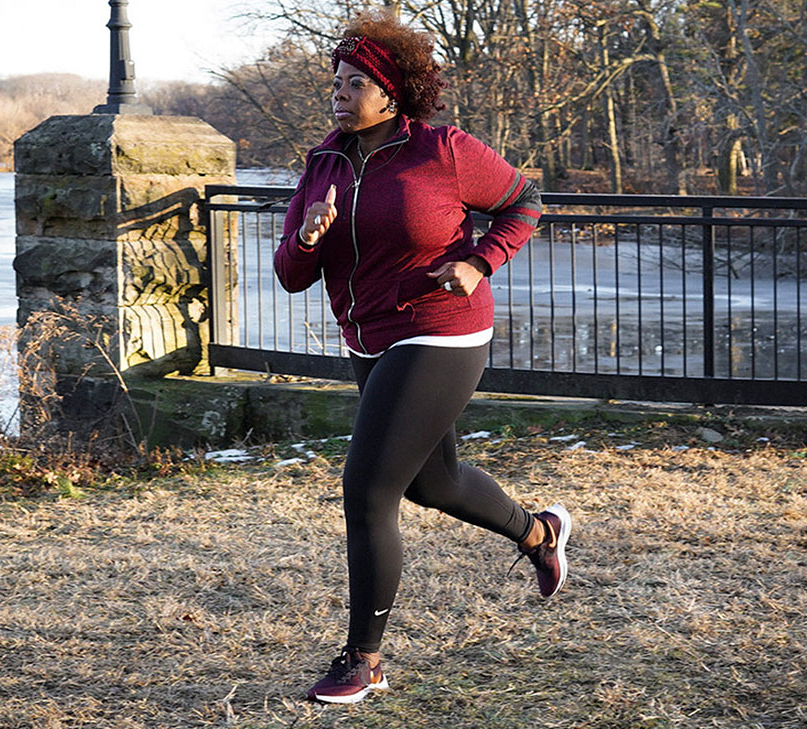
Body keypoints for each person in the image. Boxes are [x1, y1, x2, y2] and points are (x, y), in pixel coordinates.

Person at [274, 12, 572, 705]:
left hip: (442, 328)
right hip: (368, 337)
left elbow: (524, 201)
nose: (340, 94)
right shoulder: (322, 165)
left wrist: (479, 262)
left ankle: (365, 660)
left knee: (368, 489)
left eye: (355, 83)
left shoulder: (441, 149)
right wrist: (310, 238)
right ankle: (540, 530)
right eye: (337, 82)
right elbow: (290, 274)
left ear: (391, 91)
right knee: (431, 483)